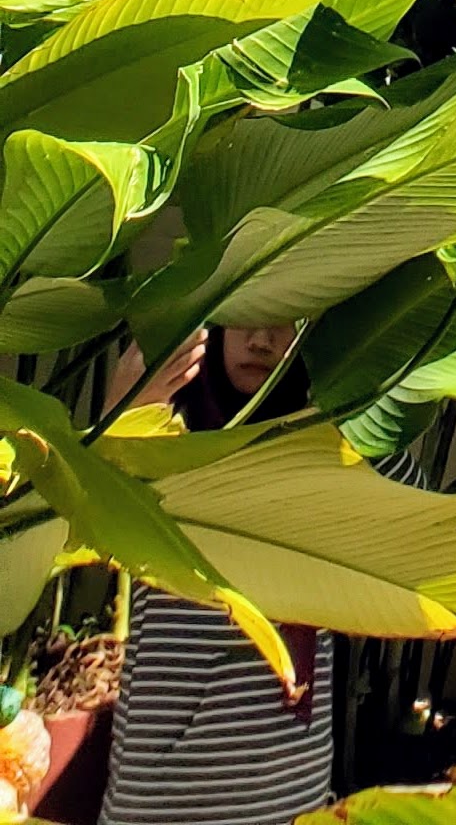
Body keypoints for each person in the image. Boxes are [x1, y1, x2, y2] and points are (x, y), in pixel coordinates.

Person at [100, 325, 332, 824]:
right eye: (248, 312)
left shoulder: (329, 439)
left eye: (285, 317)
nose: (261, 339)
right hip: (163, 801)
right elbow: (85, 525)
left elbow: (414, 512)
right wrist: (116, 416)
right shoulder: (163, 427)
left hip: (294, 797)